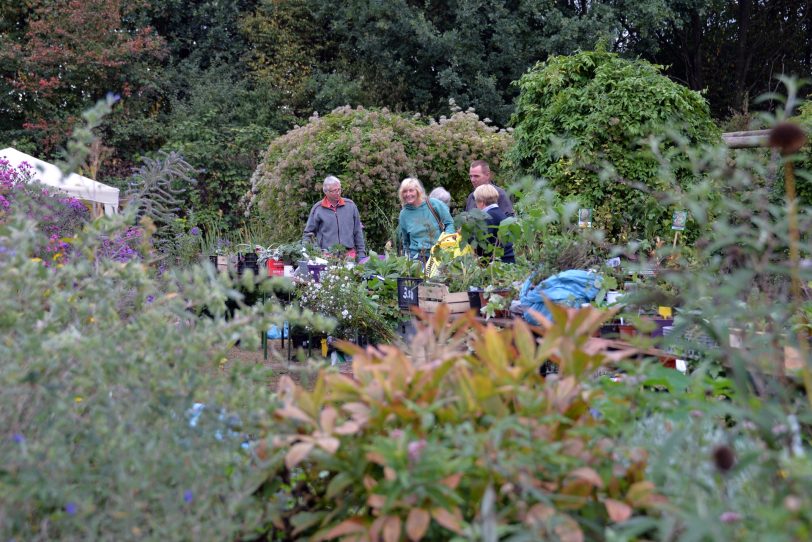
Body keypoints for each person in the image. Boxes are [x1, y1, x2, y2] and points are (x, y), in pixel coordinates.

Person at [303, 175, 366, 259]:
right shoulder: (318, 209)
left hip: (349, 255)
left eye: (339, 189)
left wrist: (361, 253)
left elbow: (357, 231)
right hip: (326, 256)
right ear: (326, 192)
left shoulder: (351, 206)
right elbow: (308, 233)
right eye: (334, 191)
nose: (338, 193)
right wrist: (308, 252)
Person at [398, 177, 455, 260]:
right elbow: (406, 241)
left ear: (418, 191)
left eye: (411, 190)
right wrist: (406, 258)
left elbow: (450, 223)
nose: (408, 194)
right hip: (416, 257)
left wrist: (446, 239)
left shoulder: (433, 204)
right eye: (405, 191)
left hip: (438, 253)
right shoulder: (404, 214)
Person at [473, 184, 514, 263]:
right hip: (509, 259)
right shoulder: (500, 213)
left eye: (476, 202)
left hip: (498, 263)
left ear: (481, 202)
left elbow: (481, 245)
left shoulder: (486, 218)